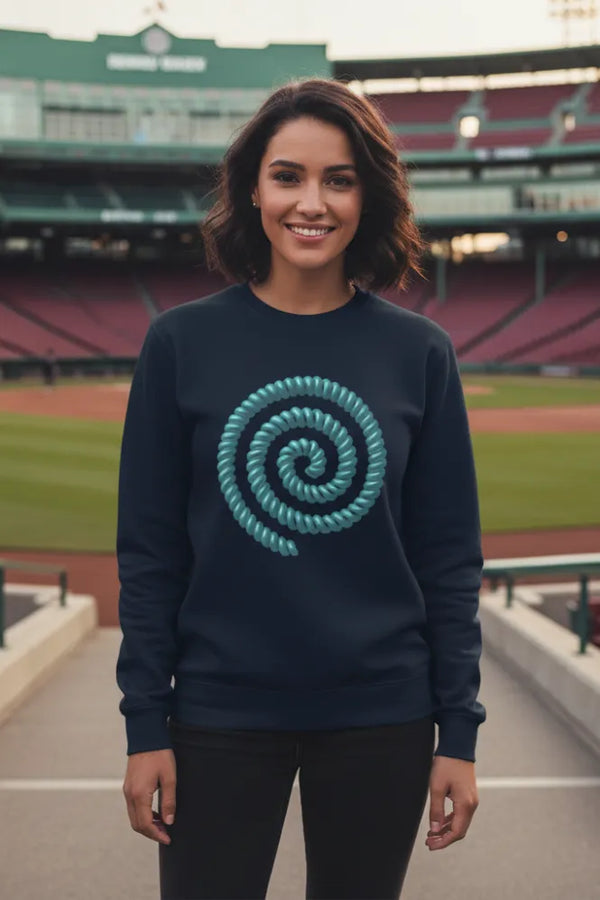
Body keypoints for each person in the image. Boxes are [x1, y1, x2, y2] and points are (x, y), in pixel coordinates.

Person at [116, 77, 486, 900]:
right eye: (288, 176)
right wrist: (144, 724)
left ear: (368, 196)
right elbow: (149, 553)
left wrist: (458, 732)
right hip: (215, 715)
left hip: (382, 717)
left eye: (339, 180)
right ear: (253, 189)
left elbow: (449, 558)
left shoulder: (421, 353)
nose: (311, 203)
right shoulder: (179, 344)